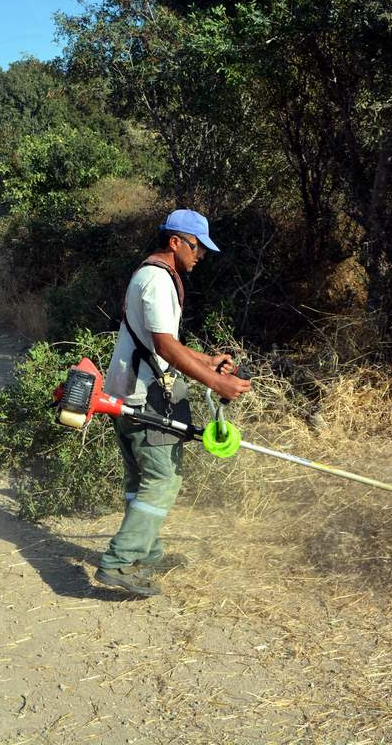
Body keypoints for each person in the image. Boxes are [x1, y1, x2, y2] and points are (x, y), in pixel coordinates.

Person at [95, 209, 252, 597]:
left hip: (127, 390)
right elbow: (165, 346)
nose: (200, 256)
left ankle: (146, 552)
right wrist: (217, 382)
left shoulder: (152, 275)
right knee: (163, 480)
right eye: (197, 248)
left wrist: (206, 361)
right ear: (175, 242)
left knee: (140, 479)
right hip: (145, 395)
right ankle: (119, 561)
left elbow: (162, 343)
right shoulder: (158, 280)